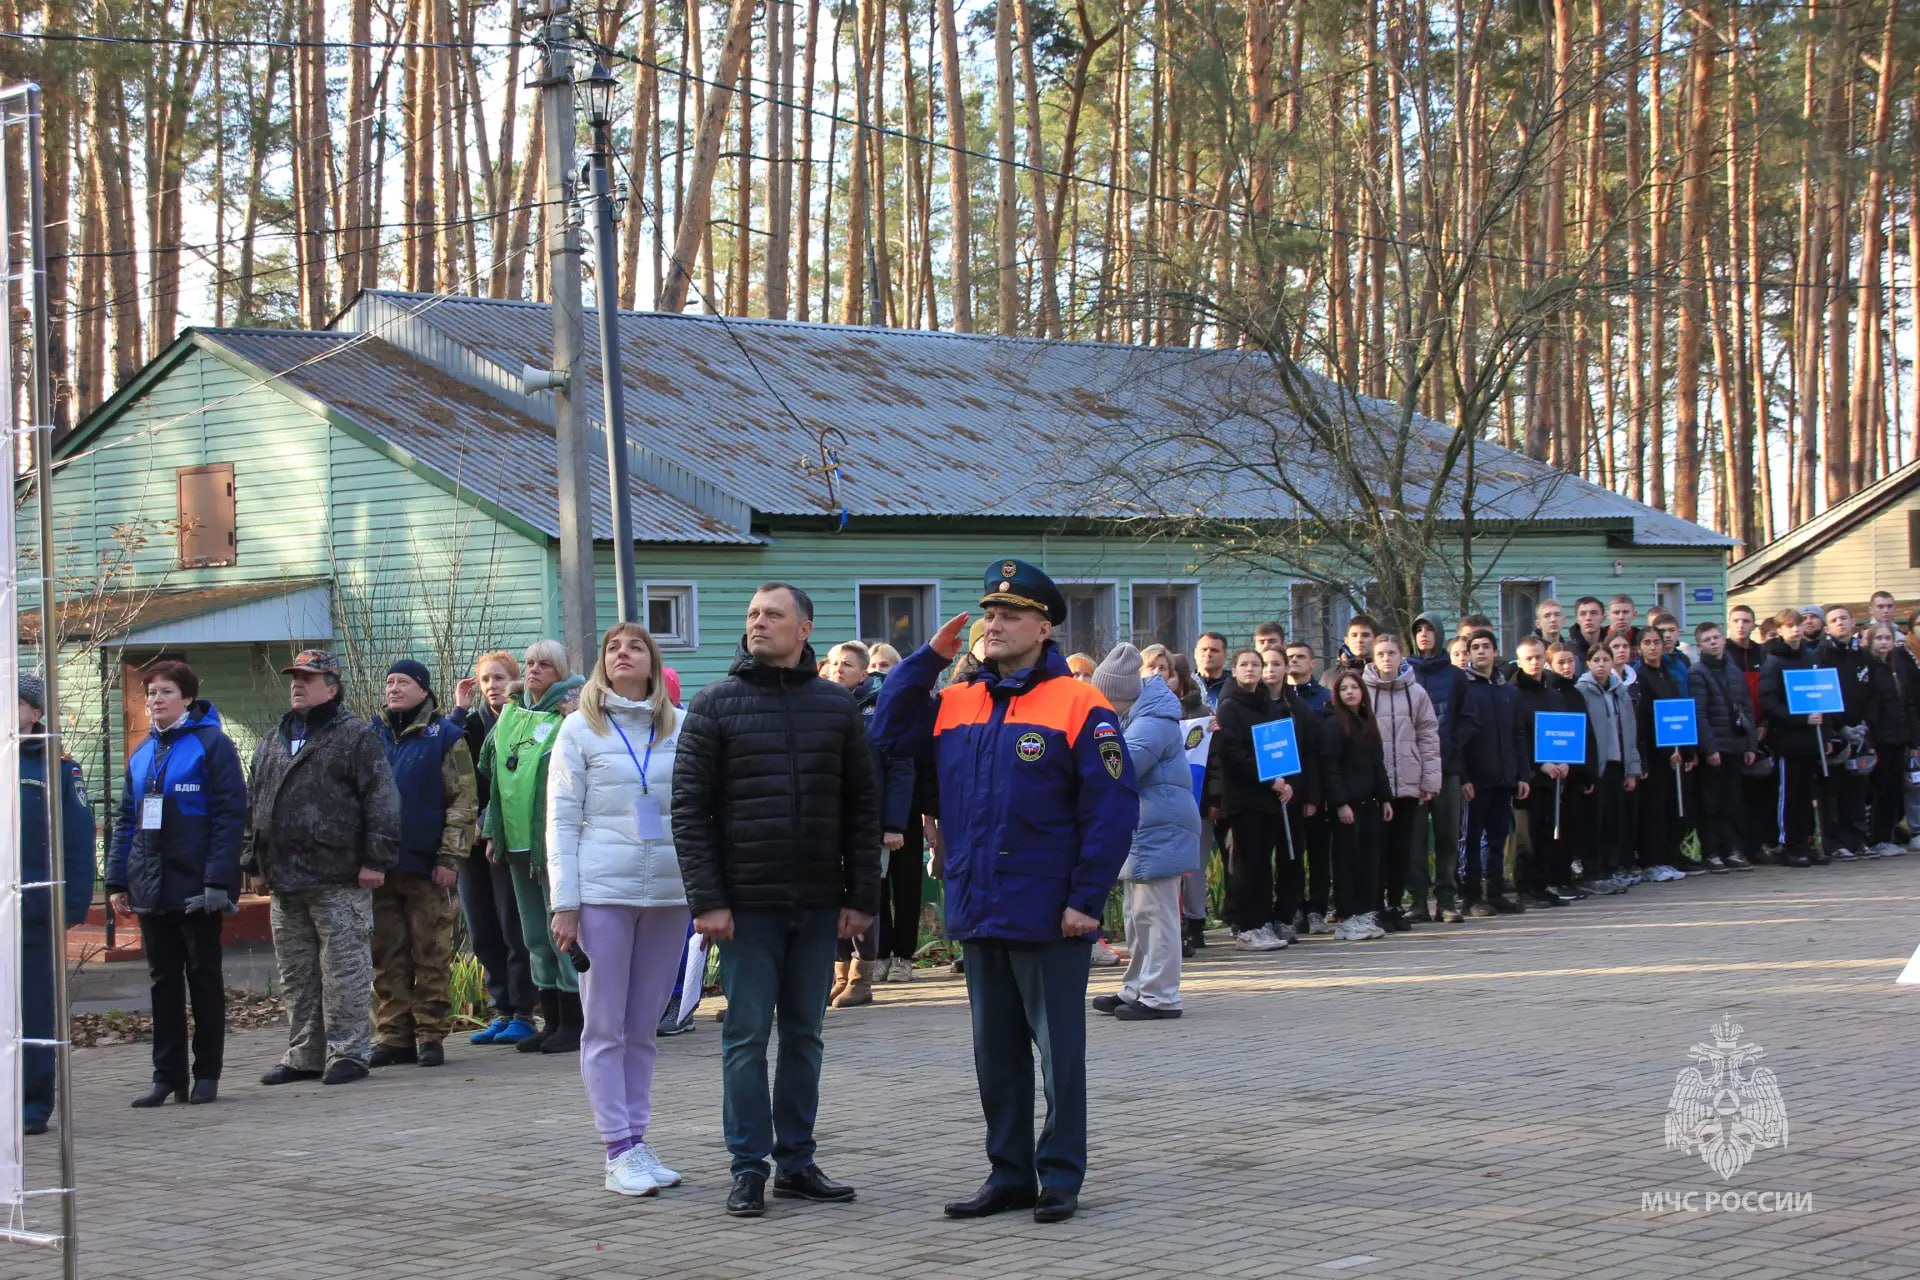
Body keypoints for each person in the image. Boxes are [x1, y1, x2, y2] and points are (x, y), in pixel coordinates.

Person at [871, 559, 1137, 1225]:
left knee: (1059, 1054)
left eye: (1010, 614)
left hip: (1049, 910)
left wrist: (1086, 899)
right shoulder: (959, 699)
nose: (994, 624)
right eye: (989, 614)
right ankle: (1009, 1174)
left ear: (1044, 628)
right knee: (996, 1055)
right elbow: (886, 735)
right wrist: (925, 661)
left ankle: (1060, 1176)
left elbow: (1110, 810)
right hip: (979, 901)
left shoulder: (1080, 702)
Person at [673, 583, 882, 1219]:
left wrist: (861, 898)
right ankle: (747, 1167)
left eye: (773, 615)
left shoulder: (836, 707)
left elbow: (862, 808)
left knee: (805, 1035)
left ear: (805, 628)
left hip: (818, 902)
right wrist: (708, 900)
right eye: (752, 614)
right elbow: (689, 811)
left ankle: (796, 1162)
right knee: (744, 1035)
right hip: (745, 907)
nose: (759, 623)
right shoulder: (715, 704)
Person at [547, 622, 692, 1198]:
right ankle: (616, 1150)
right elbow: (560, 819)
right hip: (603, 891)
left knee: (644, 1026)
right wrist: (565, 903)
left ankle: (637, 1137)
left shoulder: (682, 728)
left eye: (636, 647)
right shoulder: (579, 730)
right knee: (604, 1025)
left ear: (654, 663)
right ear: (603, 664)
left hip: (670, 894)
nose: (624, 653)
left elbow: (699, 811)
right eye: (614, 647)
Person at [242, 650, 399, 1087]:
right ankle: (304, 1053)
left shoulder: (355, 737)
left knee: (344, 969)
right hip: (284, 877)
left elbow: (382, 801)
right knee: (296, 972)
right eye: (294, 677)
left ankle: (349, 1051)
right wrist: (253, 862)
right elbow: (253, 803)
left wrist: (376, 860)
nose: (297, 684)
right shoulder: (273, 740)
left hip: (340, 875)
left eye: (309, 678)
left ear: (331, 686)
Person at [106, 660, 244, 1107]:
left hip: (197, 886)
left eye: (165, 692)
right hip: (151, 885)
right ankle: (167, 1076)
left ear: (186, 697)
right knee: (162, 981)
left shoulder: (212, 745)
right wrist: (117, 880)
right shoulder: (142, 752)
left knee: (203, 977)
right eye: (150, 693)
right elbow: (127, 819)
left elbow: (229, 817)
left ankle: (207, 1073)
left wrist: (218, 880)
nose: (155, 701)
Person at [477, 639, 587, 1054]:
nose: (535, 670)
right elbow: (497, 776)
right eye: (530, 663)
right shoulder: (511, 714)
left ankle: (575, 1022)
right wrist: (493, 830)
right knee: (534, 934)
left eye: (545, 664)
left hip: (554, 844)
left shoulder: (573, 713)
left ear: (562, 670)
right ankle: (552, 1019)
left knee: (562, 933)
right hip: (518, 841)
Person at [368, 659, 476, 1069]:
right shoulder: (370, 735)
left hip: (429, 867)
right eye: (390, 681)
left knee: (430, 952)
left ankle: (430, 1034)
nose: (394, 688)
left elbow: (463, 802)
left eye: (403, 682)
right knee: (386, 954)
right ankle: (394, 1035)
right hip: (379, 867)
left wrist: (450, 856)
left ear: (423, 690)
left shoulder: (445, 737)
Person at [1090, 645, 1200, 1021]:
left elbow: (1125, 764)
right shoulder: (1133, 716)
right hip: (1147, 827)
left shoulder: (1151, 720)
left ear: (1117, 693)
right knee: (1138, 914)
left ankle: (1161, 996)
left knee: (1157, 915)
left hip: (1161, 827)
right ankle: (1136, 987)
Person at [18, 673, 95, 1134]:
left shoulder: (57, 767)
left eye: (15, 701)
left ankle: (33, 1104)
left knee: (35, 1009)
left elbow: (79, 842)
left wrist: (71, 905)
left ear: (36, 712)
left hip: (34, 911)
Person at [450, 652, 539, 1045]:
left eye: (500, 678)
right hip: (470, 844)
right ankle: (501, 1009)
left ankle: (524, 1009)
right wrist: (457, 710)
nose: (492, 685)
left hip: (505, 841)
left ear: (515, 682)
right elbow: (443, 764)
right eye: (485, 679)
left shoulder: (524, 722)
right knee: (482, 927)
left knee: (513, 926)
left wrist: (494, 826)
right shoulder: (467, 726)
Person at [824, 641, 915, 1007]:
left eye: (847, 664)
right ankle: (840, 972)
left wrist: (893, 824)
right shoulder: (820, 706)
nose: (838, 669)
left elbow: (900, 768)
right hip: (827, 824)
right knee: (830, 897)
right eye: (832, 663)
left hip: (868, 823)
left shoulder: (883, 708)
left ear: (865, 674)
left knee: (865, 895)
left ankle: (862, 977)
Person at [1213, 649, 1299, 952]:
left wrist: (1285, 781)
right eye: (1244, 665)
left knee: (1264, 865)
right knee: (1246, 866)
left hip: (1269, 799)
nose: (1251, 669)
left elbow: (1278, 747)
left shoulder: (1268, 704)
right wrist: (1269, 779)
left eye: (1256, 664)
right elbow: (1233, 754)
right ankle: (1247, 926)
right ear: (1234, 670)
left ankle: (1263, 922)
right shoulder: (1229, 707)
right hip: (1243, 799)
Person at [1362, 634, 1440, 930]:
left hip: (1408, 782)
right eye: (1381, 653)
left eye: (1392, 653)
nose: (1386, 658)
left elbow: (1428, 737)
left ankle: (1395, 904)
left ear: (1401, 656)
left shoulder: (1416, 692)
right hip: (1375, 787)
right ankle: (1375, 905)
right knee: (1376, 849)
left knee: (1401, 848)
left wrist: (1429, 779)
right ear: (1373, 658)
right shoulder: (1364, 691)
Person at [1456, 629, 1529, 914]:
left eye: (1486, 646)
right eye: (1475, 647)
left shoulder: (1508, 691)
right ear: (1469, 653)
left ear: (1495, 651)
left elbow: (1518, 735)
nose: (1481, 652)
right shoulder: (1463, 688)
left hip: (1504, 777)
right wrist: (1463, 777)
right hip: (1475, 779)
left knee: (1498, 838)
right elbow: (1457, 739)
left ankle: (1496, 892)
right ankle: (1472, 896)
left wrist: (1522, 774)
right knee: (1471, 839)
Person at [1318, 669, 1392, 941]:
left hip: (1370, 803)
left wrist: (1385, 798)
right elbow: (1330, 767)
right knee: (1347, 861)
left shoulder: (1367, 723)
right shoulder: (1333, 725)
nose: (1350, 692)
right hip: (1347, 806)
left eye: (1354, 687)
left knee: (1369, 860)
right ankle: (1347, 916)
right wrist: (1340, 803)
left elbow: (1378, 764)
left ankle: (1365, 912)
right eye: (1344, 688)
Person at [1407, 613, 1470, 923]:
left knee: (1447, 837)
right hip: (1412, 772)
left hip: (1447, 771)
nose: (1423, 635)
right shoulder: (1405, 674)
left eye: (1429, 629)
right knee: (1414, 839)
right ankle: (1418, 901)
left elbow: (1468, 719)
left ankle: (1446, 901)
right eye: (1418, 630)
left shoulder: (1456, 676)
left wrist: (1450, 748)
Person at [1758, 609, 1825, 868]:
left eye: (1798, 624)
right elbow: (1769, 702)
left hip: (1811, 739)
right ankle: (1788, 844)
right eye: (1789, 626)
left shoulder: (1811, 658)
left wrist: (1824, 731)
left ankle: (1806, 841)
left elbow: (1820, 694)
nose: (1796, 629)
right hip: (1787, 739)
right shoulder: (1774, 660)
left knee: (1807, 794)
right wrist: (1800, 719)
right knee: (1789, 793)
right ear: (1781, 630)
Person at [1690, 622, 1758, 872]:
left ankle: (1731, 849)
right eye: (1707, 639)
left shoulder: (1733, 670)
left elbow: (1746, 709)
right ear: (1700, 645)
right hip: (1715, 747)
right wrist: (1709, 748)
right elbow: (1699, 713)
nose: (1713, 642)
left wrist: (1751, 744)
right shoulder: (1697, 672)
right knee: (1711, 803)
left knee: (1732, 802)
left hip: (1736, 745)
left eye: (1717, 637)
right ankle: (1712, 851)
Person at [1573, 645, 1641, 894]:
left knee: (1615, 820)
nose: (1601, 664)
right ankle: (1593, 870)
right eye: (1596, 660)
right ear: (1588, 663)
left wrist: (1632, 768)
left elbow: (1630, 730)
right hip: (1596, 765)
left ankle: (1611, 869)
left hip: (1617, 763)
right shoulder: (1582, 690)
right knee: (1595, 821)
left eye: (1606, 659)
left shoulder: (1620, 691)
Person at [1631, 627, 1693, 879]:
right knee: (1653, 810)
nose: (1653, 647)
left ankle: (1669, 856)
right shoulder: (1640, 677)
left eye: (1656, 642)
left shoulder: (1669, 674)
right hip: (1655, 753)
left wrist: (1685, 750)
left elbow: (1678, 712)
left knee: (1671, 807)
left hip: (1674, 752)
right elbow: (1646, 720)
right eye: (1647, 643)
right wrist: (1665, 750)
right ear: (1640, 647)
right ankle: (1651, 860)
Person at [1860, 622, 1918, 856]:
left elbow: (1907, 705)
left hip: (1898, 738)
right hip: (1879, 739)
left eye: (1888, 638)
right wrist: (1871, 741)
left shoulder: (1896, 667)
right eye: (1879, 638)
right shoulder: (1869, 668)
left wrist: (1913, 740)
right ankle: (1877, 839)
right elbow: (1869, 708)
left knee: (1894, 790)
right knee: (1880, 791)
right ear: (1870, 641)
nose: (1884, 642)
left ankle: (1886, 836)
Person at [1193, 632, 1230, 710]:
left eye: (1214, 650)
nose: (1208, 654)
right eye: (1204, 649)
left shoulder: (1235, 685)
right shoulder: (1185, 684)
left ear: (1225, 655)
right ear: (1195, 653)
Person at [1568, 597, 1608, 661]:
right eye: (1583, 614)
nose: (1588, 618)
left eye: (1593, 613)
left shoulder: (1611, 647)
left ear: (1603, 618)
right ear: (1577, 619)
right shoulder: (1568, 651)